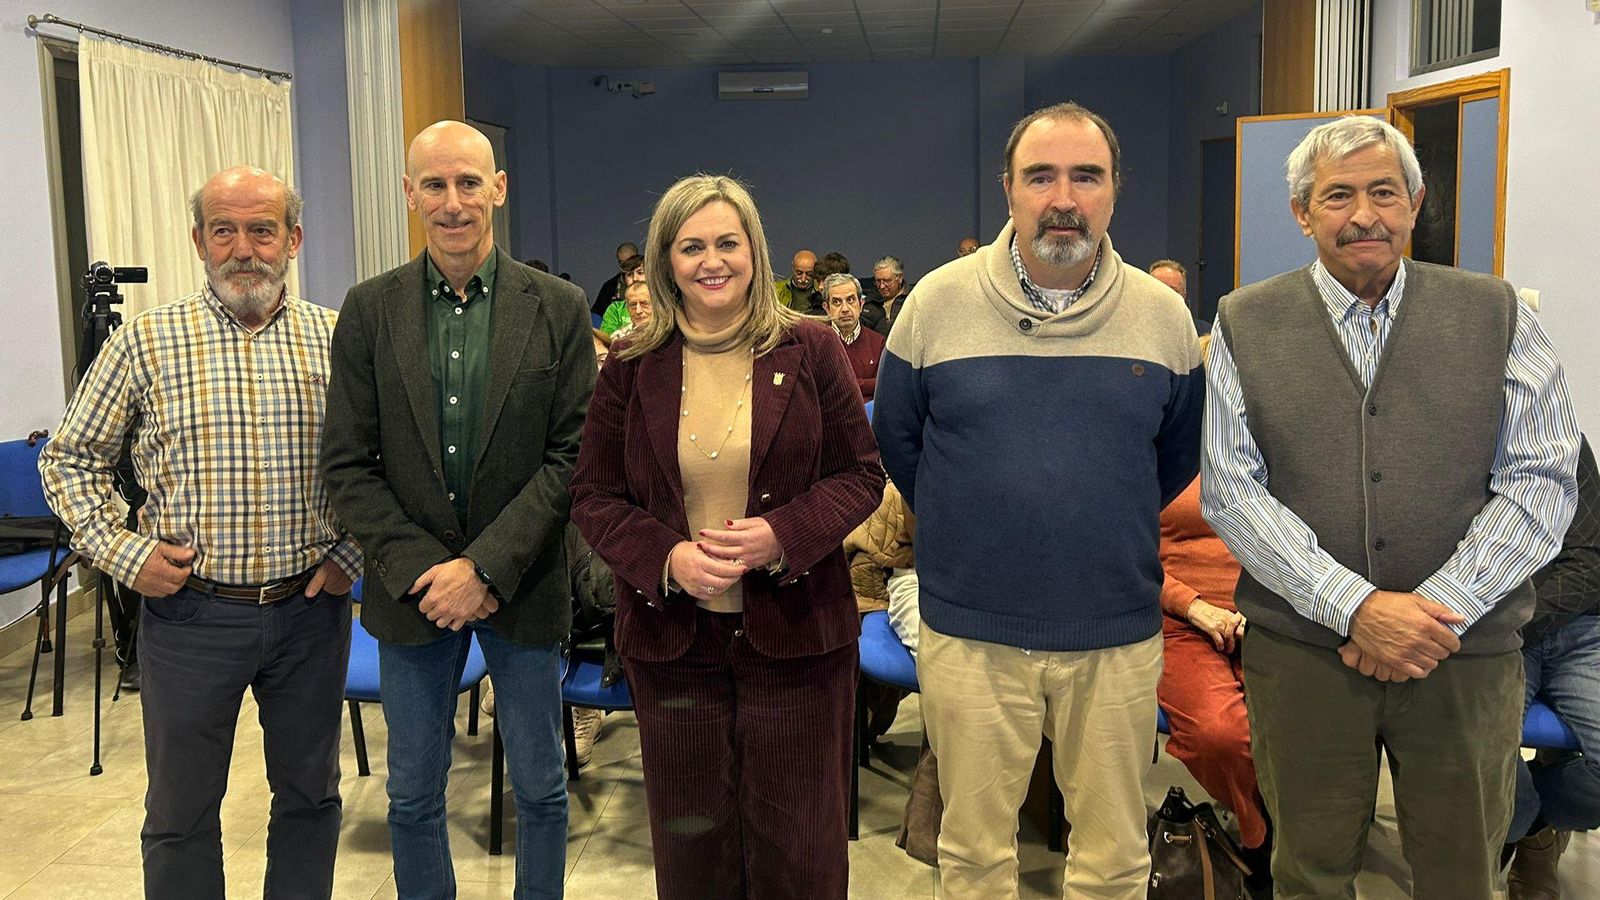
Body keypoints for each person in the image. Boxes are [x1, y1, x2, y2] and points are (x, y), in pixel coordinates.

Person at [1201, 115, 1579, 898]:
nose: (1363, 214)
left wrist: (1433, 610)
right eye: (1337, 195)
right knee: (1308, 871)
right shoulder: (1243, 321)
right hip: (1306, 657)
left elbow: (1542, 480)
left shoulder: (1502, 314)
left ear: (1415, 203)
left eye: (1383, 192)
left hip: (1463, 658)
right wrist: (1356, 608)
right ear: (1303, 213)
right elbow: (1233, 489)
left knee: (1463, 873)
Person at [875, 102, 1203, 899]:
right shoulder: (936, 305)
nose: (1064, 197)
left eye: (1086, 176)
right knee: (977, 854)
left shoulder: (1163, 319)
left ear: (1114, 191)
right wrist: (981, 522)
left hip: (1115, 633)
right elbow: (901, 443)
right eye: (1041, 176)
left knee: (1114, 857)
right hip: (973, 632)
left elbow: (1173, 458)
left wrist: (1082, 516)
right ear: (1010, 191)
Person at [38, 166, 360, 900]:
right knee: (180, 814)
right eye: (224, 230)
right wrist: (124, 554)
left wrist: (352, 552)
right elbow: (68, 459)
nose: (243, 248)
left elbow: (383, 463)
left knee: (311, 798)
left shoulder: (338, 340)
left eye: (261, 229)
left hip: (310, 611)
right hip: (190, 617)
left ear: (294, 239)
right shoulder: (144, 344)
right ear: (199, 240)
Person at [571, 173, 883, 899]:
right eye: (691, 246)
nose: (712, 261)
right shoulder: (629, 363)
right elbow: (592, 494)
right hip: (674, 647)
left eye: (727, 243)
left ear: (755, 252)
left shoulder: (809, 348)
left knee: (800, 854)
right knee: (694, 857)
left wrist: (782, 534)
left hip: (799, 641)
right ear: (663, 261)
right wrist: (668, 556)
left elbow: (861, 476)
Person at [321, 120, 595, 899]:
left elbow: (572, 458)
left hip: (524, 584)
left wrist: (483, 568)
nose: (452, 202)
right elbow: (347, 463)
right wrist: (426, 573)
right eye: (434, 185)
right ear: (410, 195)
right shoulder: (369, 311)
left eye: (469, 182)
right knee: (412, 797)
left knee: (541, 790)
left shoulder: (560, 307)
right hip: (411, 598)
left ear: (498, 190)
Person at [1154, 357, 1272, 890]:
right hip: (1180, 617)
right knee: (1221, 735)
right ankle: (1261, 843)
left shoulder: (1272, 447)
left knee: (1309, 729)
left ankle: (1282, 838)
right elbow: (1122, 551)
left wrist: (1268, 601)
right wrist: (1192, 605)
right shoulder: (1156, 449)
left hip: (1269, 614)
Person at [1505, 434, 1600, 899]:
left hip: (1575, 627)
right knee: (1483, 767)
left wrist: (1515, 616)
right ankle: (1524, 828)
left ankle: (1540, 826)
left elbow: (1588, 564)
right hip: (1491, 635)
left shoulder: (1559, 437)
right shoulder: (1444, 440)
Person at [819, 272, 885, 400]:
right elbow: (819, 389)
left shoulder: (878, 343)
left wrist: (841, 384)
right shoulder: (817, 343)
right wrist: (866, 384)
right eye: (837, 302)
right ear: (827, 308)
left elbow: (882, 386)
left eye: (850, 300)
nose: (845, 309)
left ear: (861, 304)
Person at [865, 254, 912, 336]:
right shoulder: (869, 302)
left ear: (900, 278)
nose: (882, 286)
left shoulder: (911, 299)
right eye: (878, 281)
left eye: (887, 281)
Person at [600, 253, 647, 334]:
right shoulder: (615, 309)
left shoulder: (662, 305)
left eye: (640, 273)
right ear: (624, 280)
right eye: (629, 274)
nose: (635, 278)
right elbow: (606, 340)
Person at [592, 240, 639, 316]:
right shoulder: (610, 286)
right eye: (621, 262)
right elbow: (597, 314)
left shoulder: (652, 282)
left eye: (629, 260)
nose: (625, 265)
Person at [608, 277, 653, 341]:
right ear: (627, 308)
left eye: (644, 304)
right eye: (633, 305)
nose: (638, 311)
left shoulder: (668, 334)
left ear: (656, 305)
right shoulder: (618, 338)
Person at [775, 248, 819, 313]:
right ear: (793, 267)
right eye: (799, 273)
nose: (803, 279)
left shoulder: (821, 291)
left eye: (809, 274)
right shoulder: (776, 290)